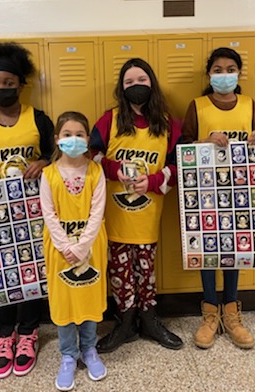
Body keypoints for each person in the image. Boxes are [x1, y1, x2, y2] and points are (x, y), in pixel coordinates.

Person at [0, 41, 54, 379]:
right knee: (0, 271)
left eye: (8, 83)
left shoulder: (38, 118)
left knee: (28, 269)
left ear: (20, 83)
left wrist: (44, 162)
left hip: (31, 210)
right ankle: (5, 336)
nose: (2, 88)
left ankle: (29, 333)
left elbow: (55, 154)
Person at [89, 57, 183, 353]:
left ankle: (149, 319)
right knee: (119, 272)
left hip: (148, 217)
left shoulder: (167, 123)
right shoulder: (110, 119)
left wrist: (154, 182)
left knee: (146, 270)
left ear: (151, 83)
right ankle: (125, 322)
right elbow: (90, 157)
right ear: (121, 88)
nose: (136, 86)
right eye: (129, 82)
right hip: (115, 217)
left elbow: (180, 163)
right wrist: (114, 169)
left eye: (141, 80)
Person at [181, 47, 255, 350]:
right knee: (209, 249)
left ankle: (231, 311)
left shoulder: (248, 103)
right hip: (205, 191)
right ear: (209, 75)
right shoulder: (198, 105)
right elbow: (182, 146)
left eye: (230, 69)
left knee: (235, 248)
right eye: (218, 70)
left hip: (240, 192)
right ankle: (210, 313)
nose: (224, 75)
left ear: (238, 73)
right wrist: (203, 142)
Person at [40, 111, 108, 391]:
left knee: (89, 298)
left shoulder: (96, 170)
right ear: (57, 140)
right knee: (65, 302)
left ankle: (89, 349)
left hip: (91, 246)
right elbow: (49, 214)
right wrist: (66, 246)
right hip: (59, 249)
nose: (74, 139)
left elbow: (97, 211)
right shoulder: (49, 174)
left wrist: (82, 247)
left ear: (88, 138)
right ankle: (68, 354)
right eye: (67, 134)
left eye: (80, 134)